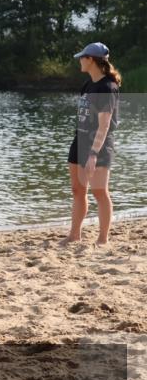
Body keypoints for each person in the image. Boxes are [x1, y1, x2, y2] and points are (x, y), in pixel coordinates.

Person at [63, 42, 121, 246]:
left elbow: (104, 126)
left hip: (99, 146)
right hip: (80, 140)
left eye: (82, 57)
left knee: (99, 191)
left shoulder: (107, 87)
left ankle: (103, 239)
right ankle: (74, 234)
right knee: (78, 190)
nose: (80, 60)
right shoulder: (88, 85)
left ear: (91, 60)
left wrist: (94, 153)